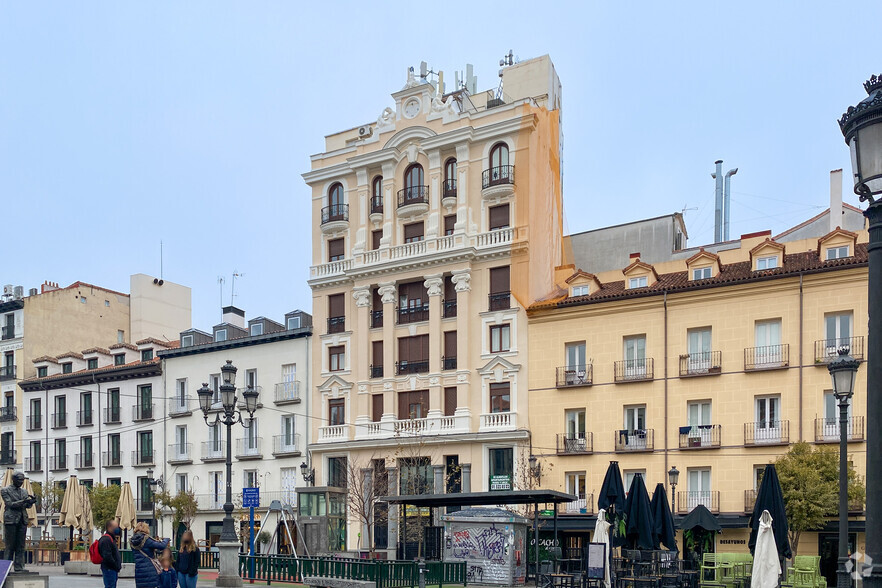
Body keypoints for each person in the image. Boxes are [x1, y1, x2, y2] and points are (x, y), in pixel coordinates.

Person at [1, 471, 37, 572]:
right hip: (11, 520)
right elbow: (10, 504)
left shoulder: (24, 491)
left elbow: (26, 506)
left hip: (22, 519)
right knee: (10, 545)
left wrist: (31, 502)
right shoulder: (5, 490)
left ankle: (19, 567)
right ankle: (5, 569)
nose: (21, 482)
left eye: (22, 480)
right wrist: (24, 501)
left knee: (21, 545)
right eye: (19, 480)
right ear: (14, 480)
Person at [131, 521, 169, 588]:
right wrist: (166, 540)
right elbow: (162, 546)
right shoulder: (146, 539)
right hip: (150, 569)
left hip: (139, 570)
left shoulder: (132, 541)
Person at [98, 519, 123, 588]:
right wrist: (115, 565)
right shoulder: (106, 540)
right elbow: (107, 556)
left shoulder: (110, 538)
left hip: (111, 569)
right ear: (110, 527)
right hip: (109, 569)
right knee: (110, 586)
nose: (117, 529)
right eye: (116, 527)